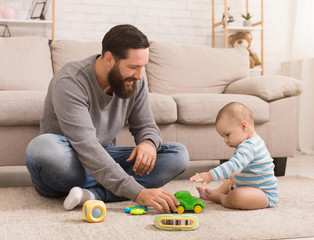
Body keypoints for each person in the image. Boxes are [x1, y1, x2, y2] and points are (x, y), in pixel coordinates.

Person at [25, 24, 189, 213]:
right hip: (69, 160)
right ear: (109, 58)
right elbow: (87, 146)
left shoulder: (136, 80)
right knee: (43, 148)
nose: (140, 75)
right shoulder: (71, 81)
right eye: (134, 67)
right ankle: (108, 184)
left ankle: (94, 195)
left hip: (103, 155)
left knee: (178, 155)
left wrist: (149, 143)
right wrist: (138, 192)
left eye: (143, 67)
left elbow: (146, 125)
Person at [190, 102, 278, 210]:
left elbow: (232, 166)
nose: (225, 140)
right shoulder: (248, 143)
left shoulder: (250, 146)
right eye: (223, 137)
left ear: (244, 126)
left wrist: (209, 175)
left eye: (227, 134)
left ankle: (221, 198)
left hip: (263, 194)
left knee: (237, 196)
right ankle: (212, 193)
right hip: (247, 186)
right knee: (231, 180)